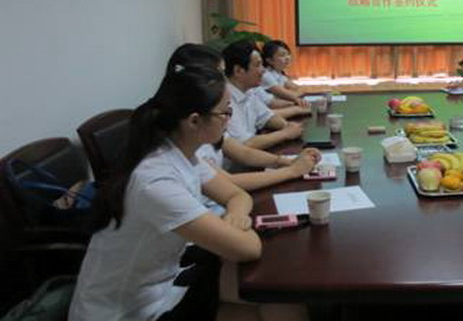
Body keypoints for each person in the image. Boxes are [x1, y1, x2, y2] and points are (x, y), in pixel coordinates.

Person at [69, 65, 261, 321]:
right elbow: (249, 248)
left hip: (163, 287)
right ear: (194, 121)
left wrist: (236, 217)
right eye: (226, 112)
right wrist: (237, 226)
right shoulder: (156, 180)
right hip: (127, 313)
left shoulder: (181, 154)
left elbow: (237, 196)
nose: (229, 119)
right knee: (264, 294)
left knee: (263, 296)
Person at [167, 44, 319, 198]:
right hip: (229, 188)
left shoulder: (208, 117)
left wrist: (288, 162)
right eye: (219, 74)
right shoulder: (189, 132)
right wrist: (292, 169)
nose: (224, 80)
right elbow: (231, 180)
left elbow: (243, 152)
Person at [223, 40, 304, 150]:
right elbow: (245, 144)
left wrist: (287, 126)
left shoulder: (249, 91)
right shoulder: (225, 101)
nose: (263, 71)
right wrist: (285, 133)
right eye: (258, 65)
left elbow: (266, 117)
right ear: (238, 71)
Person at [261, 40, 309, 107]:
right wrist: (293, 93)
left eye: (288, 54)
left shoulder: (278, 73)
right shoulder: (266, 75)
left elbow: (298, 88)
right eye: (282, 55)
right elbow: (290, 95)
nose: (287, 58)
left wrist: (295, 92)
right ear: (270, 60)